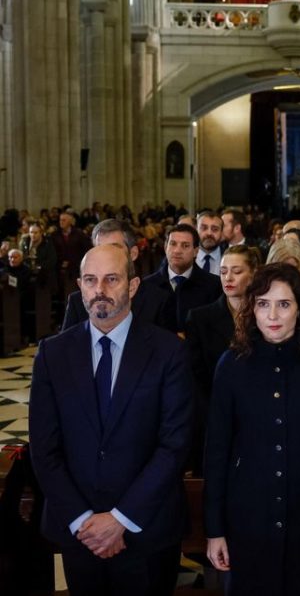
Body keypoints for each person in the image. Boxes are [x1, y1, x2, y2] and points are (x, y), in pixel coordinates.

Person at [29, 244, 192, 596]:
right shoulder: (52, 354)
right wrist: (81, 520)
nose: (99, 290)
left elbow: (174, 445)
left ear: (132, 287)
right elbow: (44, 448)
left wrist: (120, 519)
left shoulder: (169, 352)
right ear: (79, 286)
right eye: (90, 280)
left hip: (145, 529)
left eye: (111, 279)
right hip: (79, 533)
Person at [204, 263, 300, 594]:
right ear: (252, 308)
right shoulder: (231, 365)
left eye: (284, 304)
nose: (273, 314)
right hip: (247, 520)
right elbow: (216, 453)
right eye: (263, 303)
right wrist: (214, 530)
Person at [185, 245, 261, 475]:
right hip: (214, 420)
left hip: (260, 418)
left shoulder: (268, 316)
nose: (228, 277)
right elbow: (195, 379)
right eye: (223, 271)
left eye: (236, 271)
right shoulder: (200, 318)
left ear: (254, 273)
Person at [62, 219, 174, 332]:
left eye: (114, 248)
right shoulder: (77, 301)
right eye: (100, 249)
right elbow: (66, 346)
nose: (106, 255)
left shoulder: (159, 300)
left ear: (133, 253)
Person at [144, 224, 222, 333]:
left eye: (185, 246)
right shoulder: (147, 286)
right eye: (173, 244)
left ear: (196, 251)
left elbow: (216, 329)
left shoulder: (214, 285)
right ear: (165, 247)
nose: (177, 250)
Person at [195, 210, 224, 276]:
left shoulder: (230, 257)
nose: (209, 233)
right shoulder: (187, 257)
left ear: (222, 233)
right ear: (196, 230)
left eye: (215, 229)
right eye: (204, 228)